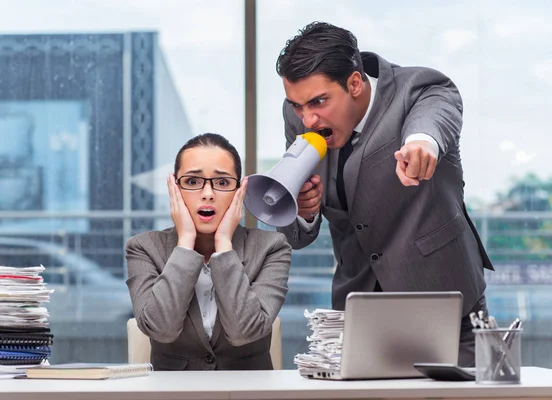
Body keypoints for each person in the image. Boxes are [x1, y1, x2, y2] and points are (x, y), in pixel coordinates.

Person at [275, 22, 494, 367]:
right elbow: (297, 235)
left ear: (355, 83)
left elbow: (433, 118)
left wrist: (422, 144)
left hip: (448, 308)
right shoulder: (299, 116)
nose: (308, 120)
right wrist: (302, 211)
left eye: (318, 102)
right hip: (359, 312)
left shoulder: (420, 89)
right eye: (298, 105)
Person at [125, 133, 292, 370]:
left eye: (222, 183)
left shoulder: (272, 248)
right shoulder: (143, 247)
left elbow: (244, 332)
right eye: (192, 182)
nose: (208, 194)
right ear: (174, 187)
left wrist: (224, 244)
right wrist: (185, 242)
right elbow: (161, 329)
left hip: (249, 393)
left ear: (239, 190)